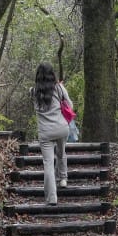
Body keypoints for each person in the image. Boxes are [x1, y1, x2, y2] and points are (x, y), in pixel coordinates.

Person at [31, 62, 70, 205]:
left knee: (48, 163)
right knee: (61, 152)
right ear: (52, 74)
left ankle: (52, 198)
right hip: (61, 128)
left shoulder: (33, 91)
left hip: (45, 132)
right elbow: (70, 106)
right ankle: (63, 179)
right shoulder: (59, 88)